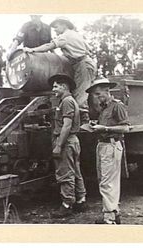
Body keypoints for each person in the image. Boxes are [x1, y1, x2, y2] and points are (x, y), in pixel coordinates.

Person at [23, 16, 97, 123]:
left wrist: (32, 50)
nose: (55, 30)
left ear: (64, 25)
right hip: (84, 63)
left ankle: (83, 123)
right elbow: (88, 50)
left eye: (56, 27)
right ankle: (78, 121)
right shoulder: (76, 35)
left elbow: (50, 45)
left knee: (80, 94)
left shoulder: (65, 36)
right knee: (78, 92)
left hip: (82, 65)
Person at [86, 76, 130, 224]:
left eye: (99, 94)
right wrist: (95, 125)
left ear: (107, 91)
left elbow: (125, 127)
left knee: (107, 182)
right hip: (103, 145)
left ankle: (109, 217)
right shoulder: (104, 107)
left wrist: (104, 128)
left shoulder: (117, 106)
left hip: (111, 145)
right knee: (106, 180)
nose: (97, 98)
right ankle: (114, 213)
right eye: (95, 95)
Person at [49, 73, 87, 218]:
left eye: (56, 86)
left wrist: (58, 145)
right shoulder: (69, 100)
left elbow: (66, 125)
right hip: (72, 140)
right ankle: (81, 200)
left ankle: (67, 204)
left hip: (66, 141)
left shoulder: (66, 102)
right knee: (76, 172)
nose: (53, 89)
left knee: (65, 173)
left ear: (64, 87)